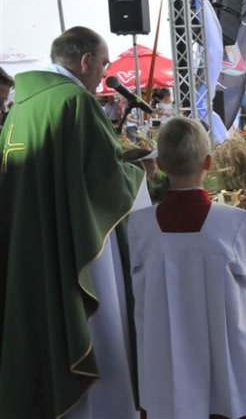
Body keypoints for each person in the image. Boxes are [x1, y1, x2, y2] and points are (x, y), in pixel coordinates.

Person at [0, 26, 146, 417]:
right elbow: (107, 181)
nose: (104, 72)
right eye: (103, 63)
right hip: (73, 241)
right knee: (94, 326)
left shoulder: (20, 107)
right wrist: (143, 172)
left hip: (30, 239)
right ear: (85, 61)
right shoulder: (76, 102)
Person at [128, 117, 246, 417]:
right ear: (208, 162)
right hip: (223, 348)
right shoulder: (234, 223)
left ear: (159, 165)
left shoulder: (139, 226)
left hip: (166, 358)